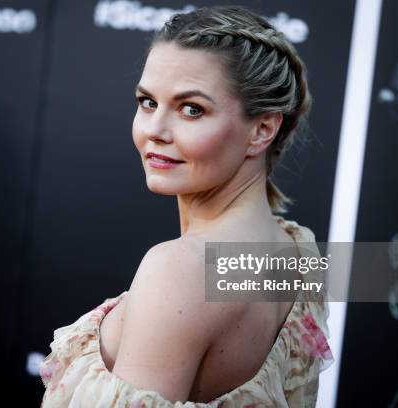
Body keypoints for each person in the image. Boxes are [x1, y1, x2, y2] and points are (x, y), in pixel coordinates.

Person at [40, 5, 334, 407]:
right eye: (147, 102)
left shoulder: (181, 269)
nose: (154, 131)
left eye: (191, 109)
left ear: (262, 129)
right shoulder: (295, 247)